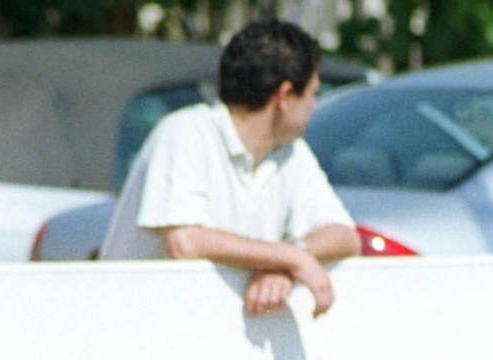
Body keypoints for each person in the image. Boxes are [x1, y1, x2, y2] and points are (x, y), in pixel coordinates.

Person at [100, 18, 360, 318]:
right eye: (312, 94)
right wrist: (287, 257)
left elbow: (345, 236)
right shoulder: (184, 132)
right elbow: (186, 242)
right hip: (130, 329)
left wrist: (287, 262)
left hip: (199, 331)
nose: (314, 106)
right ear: (284, 96)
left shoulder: (292, 152)